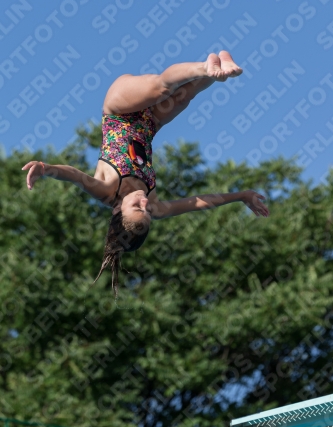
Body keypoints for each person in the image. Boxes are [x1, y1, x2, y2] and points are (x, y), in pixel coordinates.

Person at [22, 51, 269, 295]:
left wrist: (46, 169)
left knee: (161, 88)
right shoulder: (154, 204)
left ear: (118, 210)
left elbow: (74, 175)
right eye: (147, 211)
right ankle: (220, 67)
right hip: (150, 123)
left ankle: (207, 67)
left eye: (137, 208)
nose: (145, 203)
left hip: (119, 109)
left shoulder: (107, 189)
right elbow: (198, 203)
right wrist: (241, 195)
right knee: (183, 97)